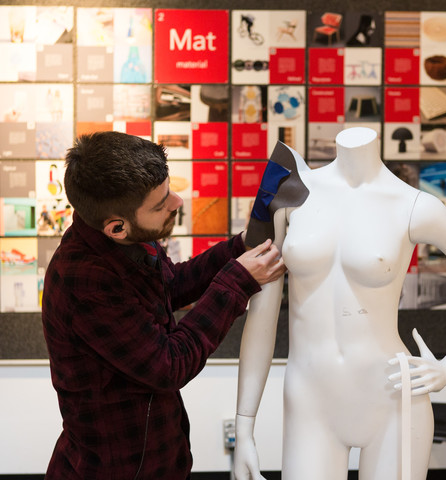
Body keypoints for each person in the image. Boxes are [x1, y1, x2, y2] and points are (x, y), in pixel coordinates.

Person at [234, 126, 446, 480]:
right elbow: (262, 310)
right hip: (309, 399)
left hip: (393, 397)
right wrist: (244, 424)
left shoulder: (414, 205)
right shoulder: (290, 189)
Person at [41, 131, 286, 480]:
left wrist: (240, 247)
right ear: (116, 227)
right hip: (117, 470)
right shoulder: (84, 280)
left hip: (161, 459)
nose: (177, 202)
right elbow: (170, 364)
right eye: (160, 205)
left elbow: (171, 285)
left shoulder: (128, 242)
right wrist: (237, 282)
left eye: (168, 190)